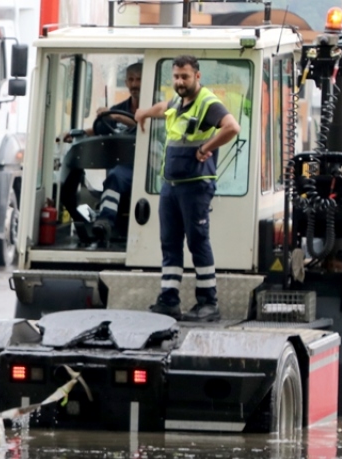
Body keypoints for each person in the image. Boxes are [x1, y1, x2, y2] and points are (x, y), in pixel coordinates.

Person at [136, 55, 240, 322]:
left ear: (197, 76)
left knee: (197, 242)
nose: (180, 82)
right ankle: (169, 300)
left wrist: (206, 148)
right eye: (176, 77)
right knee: (169, 242)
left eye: (185, 77)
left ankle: (208, 303)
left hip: (195, 186)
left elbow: (232, 128)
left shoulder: (207, 103)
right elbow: (164, 107)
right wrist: (145, 112)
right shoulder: (179, 101)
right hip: (171, 185)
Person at [89, 62, 143, 241]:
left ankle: (105, 219)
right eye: (131, 80)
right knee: (115, 174)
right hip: (123, 166)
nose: (135, 84)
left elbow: (150, 127)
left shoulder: (158, 108)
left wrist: (117, 117)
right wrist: (77, 133)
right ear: (126, 82)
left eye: (139, 79)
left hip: (149, 168)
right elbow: (102, 128)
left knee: (116, 176)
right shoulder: (118, 109)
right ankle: (101, 224)